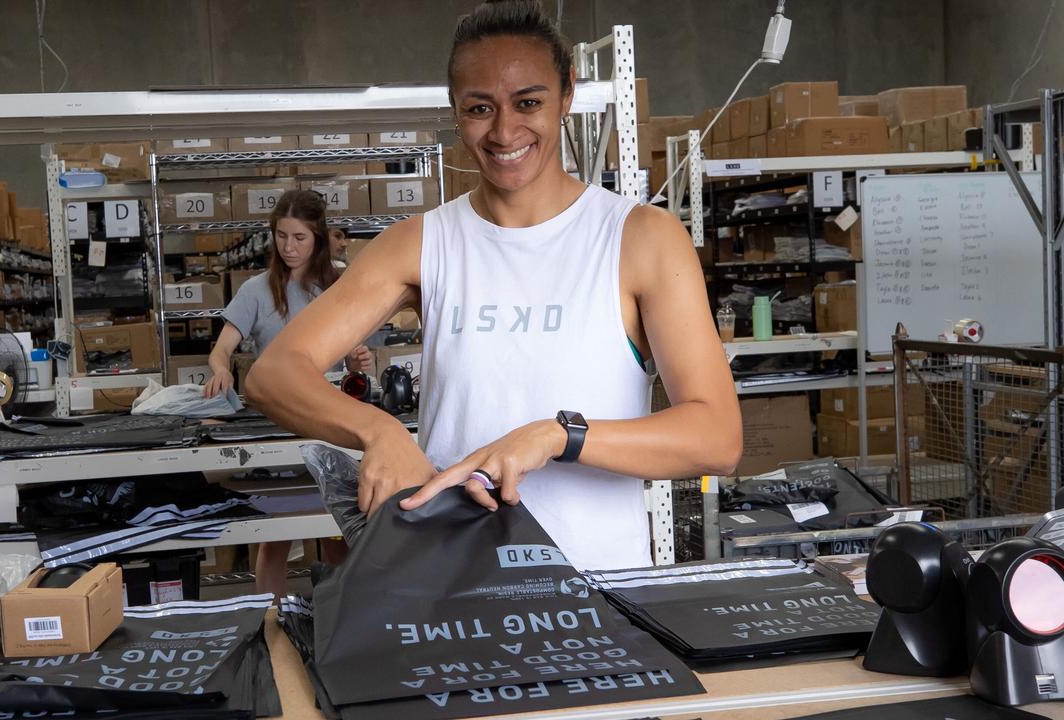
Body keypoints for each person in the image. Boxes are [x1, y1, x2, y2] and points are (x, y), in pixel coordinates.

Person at [246, 0, 742, 572]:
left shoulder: (640, 239)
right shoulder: (420, 244)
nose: (505, 131)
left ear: (567, 94)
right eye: (480, 109)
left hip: (600, 601)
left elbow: (717, 436)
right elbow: (273, 374)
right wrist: (378, 431)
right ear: (456, 112)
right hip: (450, 595)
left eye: (528, 102)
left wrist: (558, 436)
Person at [203, 189, 372, 596]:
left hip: (329, 423)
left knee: (338, 533)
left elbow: (352, 356)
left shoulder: (338, 287)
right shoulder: (257, 291)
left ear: (317, 237)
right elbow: (221, 348)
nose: (289, 247)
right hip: (277, 425)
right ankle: (272, 622)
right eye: (282, 236)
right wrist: (220, 369)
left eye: (299, 237)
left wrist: (356, 362)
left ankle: (339, 620)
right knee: (276, 536)